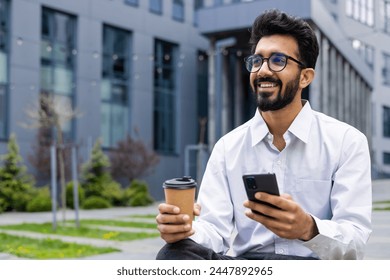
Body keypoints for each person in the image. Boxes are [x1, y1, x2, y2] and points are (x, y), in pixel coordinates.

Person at [155, 9, 372, 260]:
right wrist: (186, 230)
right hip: (249, 268)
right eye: (257, 61)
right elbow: (214, 230)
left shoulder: (347, 142)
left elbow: (355, 241)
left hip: (313, 267)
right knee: (175, 253)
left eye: (278, 60)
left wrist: (309, 228)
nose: (263, 70)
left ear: (305, 77)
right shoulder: (228, 147)